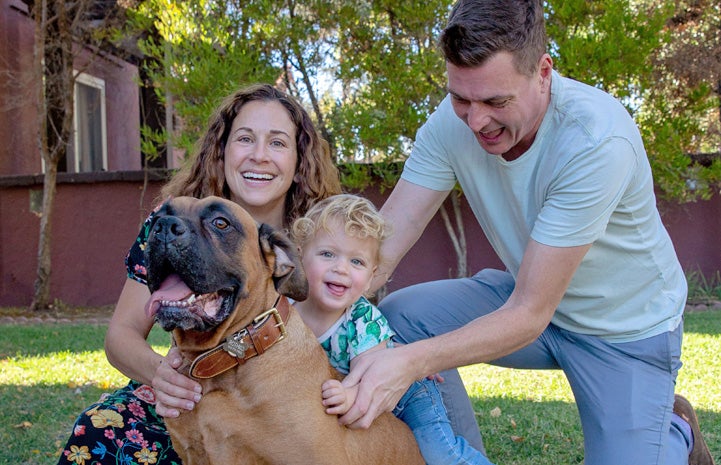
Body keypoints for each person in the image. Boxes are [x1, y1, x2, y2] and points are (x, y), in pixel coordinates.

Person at [335, 2, 716, 465]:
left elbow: (528, 313)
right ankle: (462, 458)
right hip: (532, 302)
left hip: (624, 331)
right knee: (404, 316)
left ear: (543, 72)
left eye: (496, 102)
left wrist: (407, 363)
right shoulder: (450, 122)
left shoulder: (595, 140)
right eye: (461, 98)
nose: (476, 121)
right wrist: (316, 312)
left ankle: (673, 432)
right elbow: (385, 242)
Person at [57, 84, 341, 465]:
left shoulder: (324, 242)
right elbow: (121, 334)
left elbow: (361, 321)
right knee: (99, 432)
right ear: (221, 151)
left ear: (299, 158)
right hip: (182, 391)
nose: (259, 156)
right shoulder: (171, 222)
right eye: (244, 138)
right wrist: (161, 376)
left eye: (277, 143)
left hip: (282, 401)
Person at [290, 193, 494, 465]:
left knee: (440, 454)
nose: (341, 269)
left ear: (371, 277)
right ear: (301, 256)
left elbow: (371, 378)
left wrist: (347, 394)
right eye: (328, 254)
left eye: (357, 262)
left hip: (409, 395)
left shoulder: (362, 320)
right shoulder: (285, 308)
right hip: (369, 397)